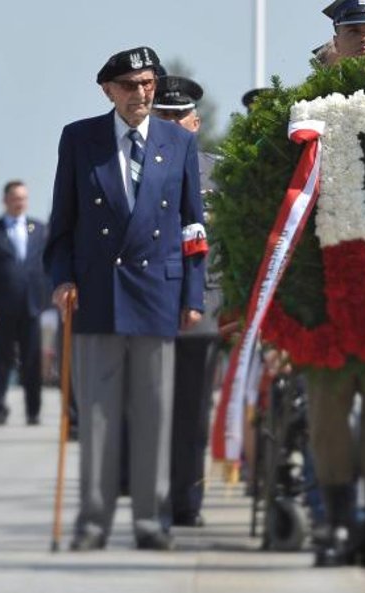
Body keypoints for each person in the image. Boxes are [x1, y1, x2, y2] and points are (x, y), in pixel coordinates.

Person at [44, 46, 206, 552]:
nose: (142, 94)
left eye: (148, 84)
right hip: (98, 293)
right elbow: (63, 222)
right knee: (99, 414)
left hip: (158, 291)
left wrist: (193, 292)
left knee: (155, 413)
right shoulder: (80, 139)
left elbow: (192, 224)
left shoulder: (177, 143)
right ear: (108, 90)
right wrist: (62, 278)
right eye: (131, 85)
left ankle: (150, 519)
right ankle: (93, 519)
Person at [305, 0, 365, 570]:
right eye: (354, 31)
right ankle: (340, 525)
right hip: (322, 293)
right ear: (334, 39)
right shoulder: (302, 110)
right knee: (327, 418)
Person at [151, 74, 223, 527]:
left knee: (194, 414)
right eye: (165, 116)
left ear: (195, 122)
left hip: (204, 307)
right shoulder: (138, 166)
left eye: (181, 117)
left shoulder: (220, 173)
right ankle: (152, 498)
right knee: (151, 409)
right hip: (151, 303)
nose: (174, 124)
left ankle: (186, 501)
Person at [0, 180, 48, 425]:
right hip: (2, 308)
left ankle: (33, 410)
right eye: (16, 198)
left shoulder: (39, 229)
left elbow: (46, 267)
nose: (20, 203)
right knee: (2, 360)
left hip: (32, 306)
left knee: (32, 361)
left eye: (24, 198)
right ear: (5, 200)